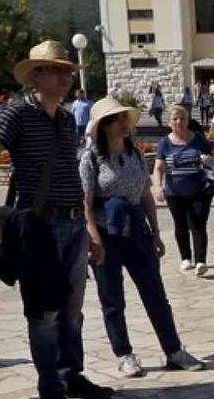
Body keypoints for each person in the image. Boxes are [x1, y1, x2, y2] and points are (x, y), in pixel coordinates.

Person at [0, 40, 116, 399]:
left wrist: (89, 230)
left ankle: (71, 375)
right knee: (45, 313)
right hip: (40, 227)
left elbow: (72, 176)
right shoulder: (16, 115)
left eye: (69, 71)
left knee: (72, 310)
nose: (67, 76)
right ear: (37, 75)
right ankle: (49, 386)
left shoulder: (68, 119)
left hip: (73, 224)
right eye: (59, 69)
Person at [82, 98, 205, 377]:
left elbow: (146, 194)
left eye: (125, 117)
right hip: (107, 234)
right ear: (103, 126)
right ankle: (124, 354)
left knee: (155, 294)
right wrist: (95, 240)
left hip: (137, 230)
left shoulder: (134, 153)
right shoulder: (91, 158)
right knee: (112, 298)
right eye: (117, 119)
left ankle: (173, 350)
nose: (124, 123)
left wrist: (156, 233)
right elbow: (85, 204)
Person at [155, 105, 214, 276]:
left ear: (188, 120)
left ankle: (200, 260)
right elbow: (159, 167)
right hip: (174, 192)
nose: (179, 122)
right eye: (175, 119)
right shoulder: (164, 143)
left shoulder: (197, 138)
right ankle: (185, 257)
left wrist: (210, 159)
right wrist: (158, 187)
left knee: (198, 223)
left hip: (200, 190)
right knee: (180, 224)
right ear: (169, 122)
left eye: (182, 118)